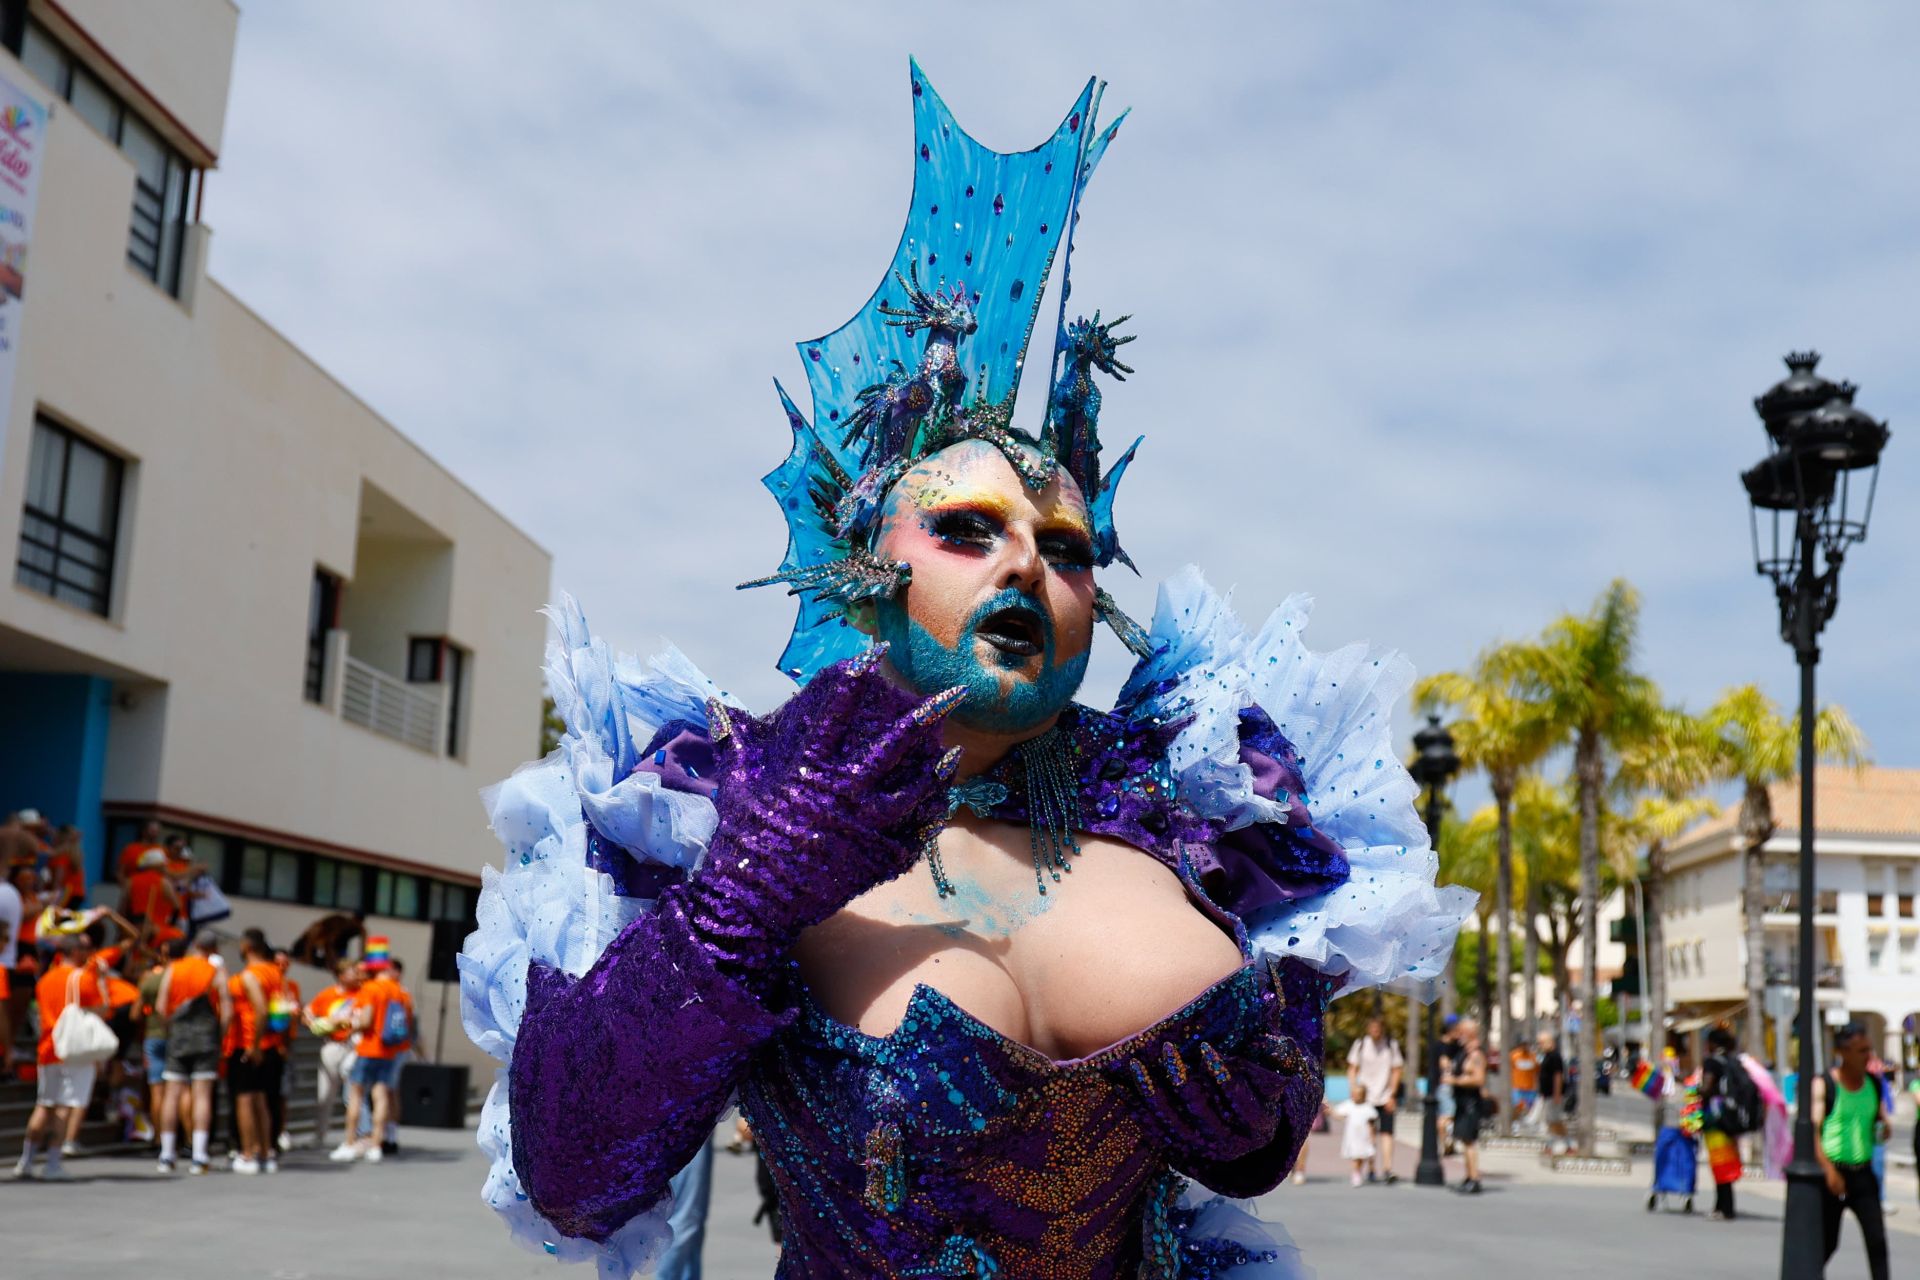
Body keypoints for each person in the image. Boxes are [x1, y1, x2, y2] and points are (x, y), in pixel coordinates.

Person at [459, 65, 1476, 1277]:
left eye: (1065, 549)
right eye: (966, 529)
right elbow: (575, 1173)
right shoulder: (721, 793)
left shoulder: (1188, 801)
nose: (1025, 568)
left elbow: (1254, 1147)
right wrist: (740, 900)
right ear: (861, 562)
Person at [14, 934, 104, 1180]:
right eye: (85, 949)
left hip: (47, 1048)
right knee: (65, 1106)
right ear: (75, 952)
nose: (88, 953)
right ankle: (52, 1163)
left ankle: (26, 1160)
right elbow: (101, 1010)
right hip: (73, 1051)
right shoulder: (83, 977)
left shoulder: (44, 979)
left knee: (44, 1105)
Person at [1813, 1023, 1891, 1278]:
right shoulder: (1825, 1084)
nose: (1868, 1056)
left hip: (1863, 1173)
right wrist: (1828, 1171)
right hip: (1833, 1173)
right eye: (1861, 1051)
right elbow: (1813, 1133)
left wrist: (1884, 1127)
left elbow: (1880, 1120)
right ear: (1843, 1052)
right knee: (1827, 1243)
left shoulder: (1873, 1084)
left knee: (1877, 1241)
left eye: (1869, 1050)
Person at [156, 930, 229, 1174]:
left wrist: (171, 1028)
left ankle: (166, 1154)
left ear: (194, 945)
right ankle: (198, 1154)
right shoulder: (215, 971)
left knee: (171, 1094)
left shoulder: (174, 968)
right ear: (213, 949)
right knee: (202, 1095)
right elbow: (227, 1010)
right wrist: (220, 1033)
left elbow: (160, 1005)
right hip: (206, 1037)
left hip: (178, 1036)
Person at [333, 939, 410, 1164]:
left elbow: (365, 1021)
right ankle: (376, 1144)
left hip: (368, 1048)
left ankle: (350, 1143)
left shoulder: (370, 989)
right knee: (381, 1095)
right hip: (389, 1050)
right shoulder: (399, 991)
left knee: (355, 1094)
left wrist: (346, 1025)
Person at [223, 931, 285, 1173]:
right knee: (261, 1100)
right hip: (269, 1044)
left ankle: (248, 1154)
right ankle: (266, 1152)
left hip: (248, 1044)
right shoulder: (274, 973)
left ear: (247, 946)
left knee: (245, 1099)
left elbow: (260, 1010)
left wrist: (254, 1045)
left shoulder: (250, 976)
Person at [305, 956, 363, 1151]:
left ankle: (354, 1137)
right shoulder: (327, 994)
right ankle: (319, 1135)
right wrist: (314, 1023)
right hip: (332, 1045)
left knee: (352, 1095)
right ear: (340, 975)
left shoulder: (361, 993)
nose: (356, 975)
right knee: (325, 1094)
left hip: (353, 1047)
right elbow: (309, 1012)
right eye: (351, 971)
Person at [1697, 1026, 1747, 1220]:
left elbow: (1707, 1088)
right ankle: (1725, 1205)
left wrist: (1693, 1088)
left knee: (1719, 1162)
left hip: (1715, 1119)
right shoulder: (1731, 1060)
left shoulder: (1712, 1062)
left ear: (1712, 1043)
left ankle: (1724, 1207)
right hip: (1730, 1117)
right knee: (1725, 1161)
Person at [1346, 1015, 1404, 1182]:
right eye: (1372, 1028)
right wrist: (1353, 1088)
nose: (1375, 1032)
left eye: (1378, 1029)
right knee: (1369, 1134)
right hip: (1366, 1097)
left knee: (1387, 1133)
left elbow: (1397, 1070)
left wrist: (1392, 1094)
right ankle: (1371, 1168)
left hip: (1385, 1096)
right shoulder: (1361, 1044)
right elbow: (1352, 1068)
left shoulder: (1390, 1045)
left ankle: (1387, 1168)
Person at [1447, 1017, 1487, 1193]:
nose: (1458, 1034)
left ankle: (1474, 1179)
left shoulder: (1476, 1054)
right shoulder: (1464, 1051)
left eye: (1462, 1031)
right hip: (1461, 1102)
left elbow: (1479, 1079)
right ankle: (1468, 1176)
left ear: (1470, 1033)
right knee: (1464, 1140)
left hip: (1471, 1103)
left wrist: (1455, 1080)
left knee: (1470, 1141)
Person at [1330, 1083, 1379, 1187]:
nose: (1355, 1097)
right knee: (1356, 1156)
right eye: (1353, 1094)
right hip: (1353, 1137)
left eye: (1358, 1094)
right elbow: (1337, 1114)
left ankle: (1365, 1171)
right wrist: (1328, 1110)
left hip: (1364, 1137)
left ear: (1363, 1096)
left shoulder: (1368, 1108)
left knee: (1363, 1156)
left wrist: (1372, 1137)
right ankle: (1356, 1173)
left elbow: (1372, 1125)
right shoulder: (1349, 1105)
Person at [1536, 1030, 1568, 1151]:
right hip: (1548, 1094)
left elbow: (1558, 1076)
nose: (1540, 1045)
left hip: (1553, 1094)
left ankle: (1565, 1144)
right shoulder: (1548, 1056)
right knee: (1551, 1120)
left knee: (1554, 1120)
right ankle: (1551, 1144)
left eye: (1542, 1043)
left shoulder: (1555, 1056)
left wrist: (1557, 1094)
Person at [116, 820, 164, 888]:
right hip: (133, 889)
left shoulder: (160, 850)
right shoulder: (130, 849)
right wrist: (127, 888)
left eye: (157, 831)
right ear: (143, 831)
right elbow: (120, 872)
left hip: (153, 892)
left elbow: (164, 873)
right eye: (152, 831)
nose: (155, 834)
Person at [1508, 1035, 1540, 1128]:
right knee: (1518, 1106)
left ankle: (1526, 1124)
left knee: (1530, 1107)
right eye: (1523, 1045)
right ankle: (1515, 1123)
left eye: (1526, 1045)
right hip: (1518, 1086)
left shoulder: (1533, 1057)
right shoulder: (1514, 1056)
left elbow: (1537, 1070)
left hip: (1530, 1087)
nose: (1525, 1047)